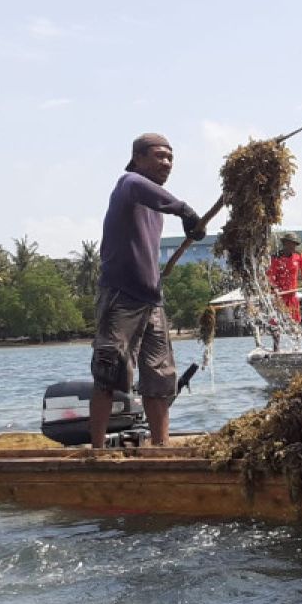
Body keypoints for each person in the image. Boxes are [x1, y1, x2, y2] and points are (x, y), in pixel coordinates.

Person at [90, 133, 206, 448]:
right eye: (159, 156)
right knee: (109, 371)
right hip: (121, 295)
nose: (166, 163)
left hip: (152, 300)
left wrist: (189, 223)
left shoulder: (154, 203)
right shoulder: (128, 184)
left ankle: (161, 447)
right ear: (139, 158)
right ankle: (97, 452)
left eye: (170, 158)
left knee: (160, 378)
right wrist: (185, 211)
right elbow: (145, 190)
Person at [267, 231, 302, 323]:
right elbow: (270, 275)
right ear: (285, 243)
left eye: (295, 244)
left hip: (292, 294)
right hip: (279, 295)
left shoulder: (299, 256)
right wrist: (273, 288)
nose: (293, 246)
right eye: (291, 244)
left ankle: (296, 336)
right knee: (275, 322)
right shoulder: (276, 257)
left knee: (295, 321)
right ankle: (276, 336)